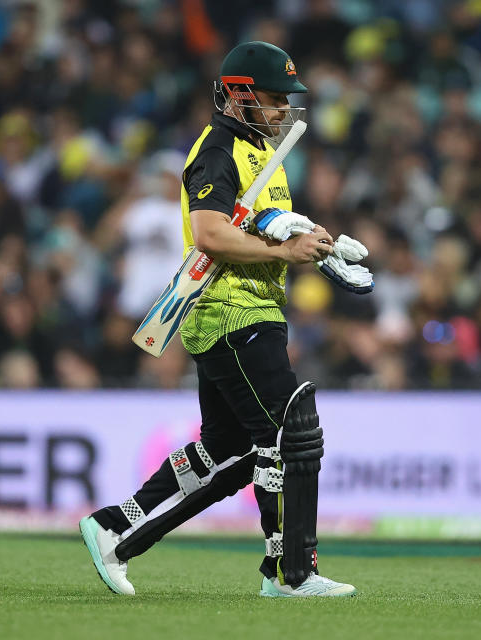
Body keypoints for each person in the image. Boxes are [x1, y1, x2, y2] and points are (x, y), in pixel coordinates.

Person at [79, 41, 373, 598]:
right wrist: (285, 253)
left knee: (228, 452)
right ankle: (290, 572)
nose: (284, 109)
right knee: (291, 427)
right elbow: (212, 234)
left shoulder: (264, 154)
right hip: (229, 311)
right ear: (238, 96)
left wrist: (309, 240)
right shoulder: (218, 148)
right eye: (273, 97)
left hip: (253, 309)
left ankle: (116, 528)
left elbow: (257, 224)